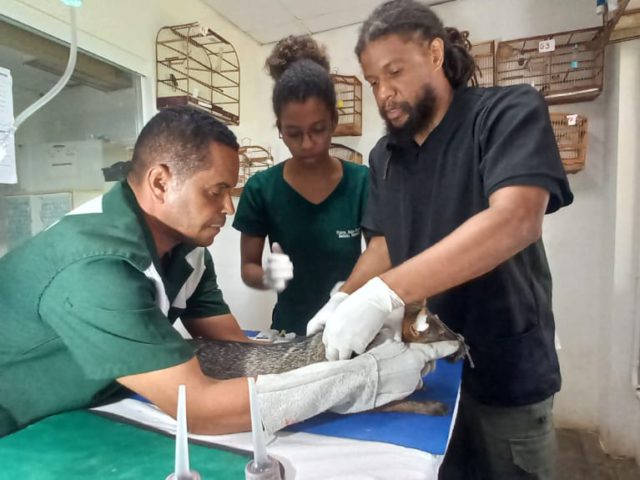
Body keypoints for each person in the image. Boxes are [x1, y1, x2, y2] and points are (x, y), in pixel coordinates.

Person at [0, 105, 446, 438]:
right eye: (216, 192)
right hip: (19, 427)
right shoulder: (96, 268)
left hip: (87, 402)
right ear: (160, 182)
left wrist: (336, 354)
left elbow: (235, 351)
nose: (228, 208)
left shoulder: (188, 251)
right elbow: (198, 407)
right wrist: (357, 381)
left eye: (231, 192)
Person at [308, 1, 574, 478]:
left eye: (395, 73)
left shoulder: (506, 113)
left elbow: (515, 220)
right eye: (373, 82)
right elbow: (386, 242)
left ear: (434, 53)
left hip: (506, 367)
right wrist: (345, 296)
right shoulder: (385, 155)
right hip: (423, 368)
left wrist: (385, 293)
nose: (385, 94)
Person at [232, 35, 369, 335]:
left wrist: (354, 290)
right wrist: (267, 277)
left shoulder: (361, 183)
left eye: (318, 130)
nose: (307, 144)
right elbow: (248, 268)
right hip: (290, 333)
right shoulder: (261, 189)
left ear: (333, 120)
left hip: (350, 329)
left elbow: (381, 254)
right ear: (280, 128)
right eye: (293, 133)